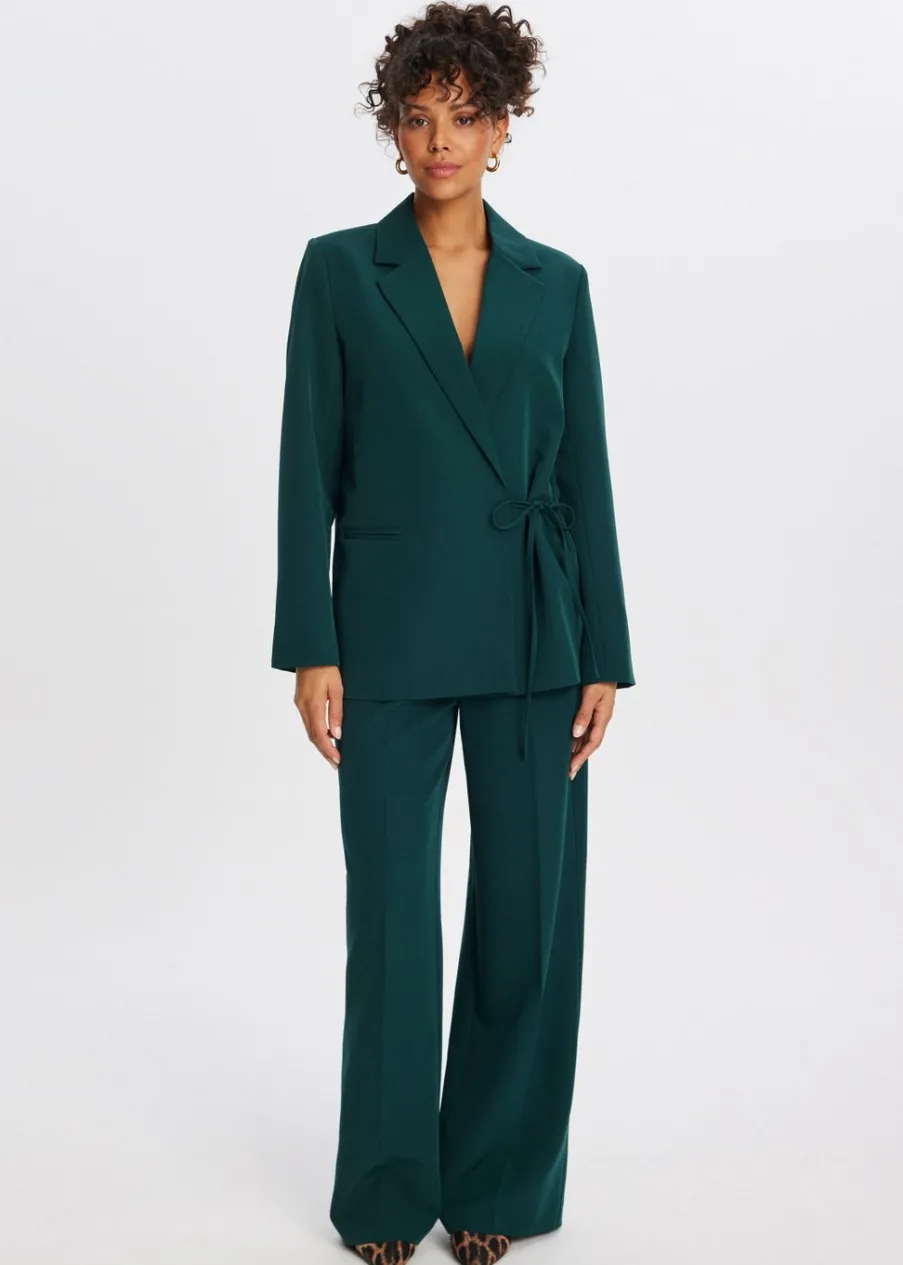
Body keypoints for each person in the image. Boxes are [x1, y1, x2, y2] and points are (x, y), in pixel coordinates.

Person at [270, 4, 635, 1262]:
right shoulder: (338, 270)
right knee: (391, 919)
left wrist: (605, 649)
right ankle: (384, 1193)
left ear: (502, 126)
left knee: (525, 917)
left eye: (464, 117)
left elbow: (587, 473)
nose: (439, 140)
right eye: (417, 117)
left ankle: (493, 1185)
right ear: (393, 129)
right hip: (386, 633)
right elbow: (306, 466)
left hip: (538, 631)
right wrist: (311, 644)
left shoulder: (557, 283)